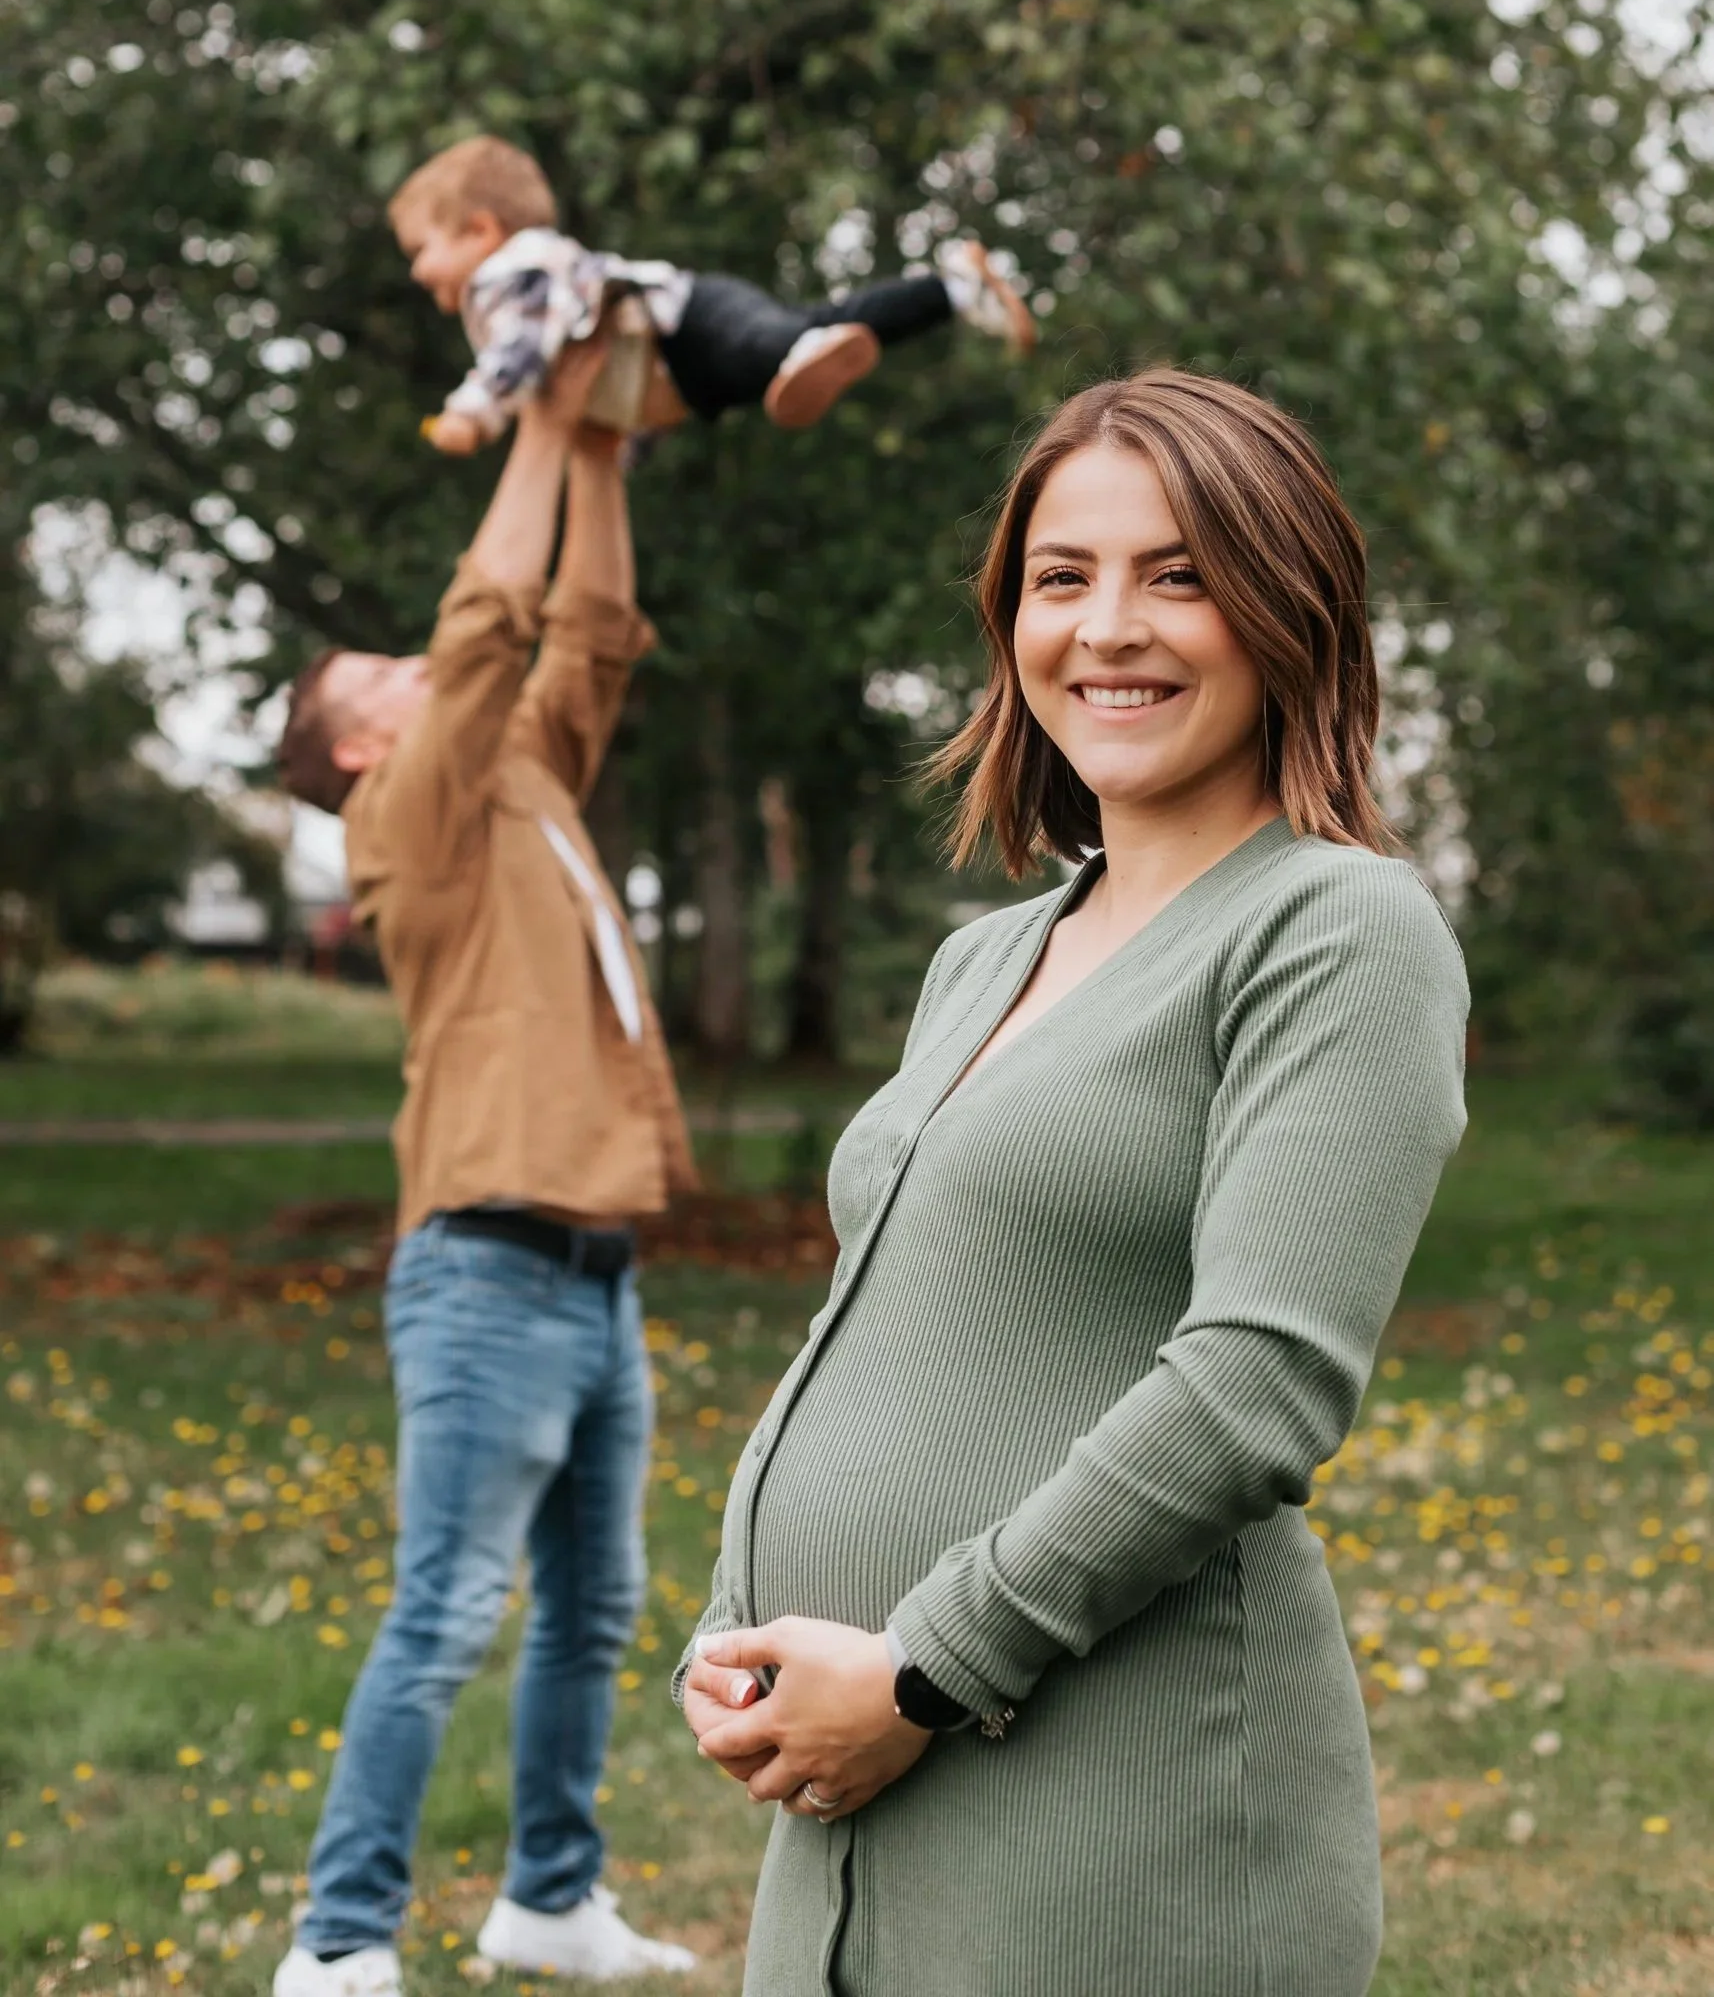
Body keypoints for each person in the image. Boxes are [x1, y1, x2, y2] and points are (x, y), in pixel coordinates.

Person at [677, 369, 1470, 1997]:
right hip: (847, 1786)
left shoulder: (1333, 932)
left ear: (1286, 611)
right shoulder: (986, 954)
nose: (1107, 626)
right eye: (1062, 578)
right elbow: (873, 1316)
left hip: (1123, 1805)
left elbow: (1257, 1382)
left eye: (1176, 575)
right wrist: (733, 1626)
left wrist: (915, 1671)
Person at [271, 340, 700, 1996]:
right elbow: (488, 627)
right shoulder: (409, 824)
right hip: (482, 1271)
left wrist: (595, 438)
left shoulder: (515, 778)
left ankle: (547, 1901)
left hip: (594, 1272)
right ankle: (337, 1945)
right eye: (364, 673)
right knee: (444, 1613)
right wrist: (532, 413)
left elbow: (579, 629)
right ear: (363, 751)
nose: (401, 663)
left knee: (590, 1616)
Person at [388, 134, 1035, 452]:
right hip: (684, 377)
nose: (417, 272)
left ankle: (816, 345)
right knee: (813, 327)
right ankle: (951, 289)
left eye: (422, 250)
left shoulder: (511, 273)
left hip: (691, 321)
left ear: (480, 231)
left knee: (777, 339)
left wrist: (471, 413)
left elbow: (520, 351)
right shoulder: (507, 292)